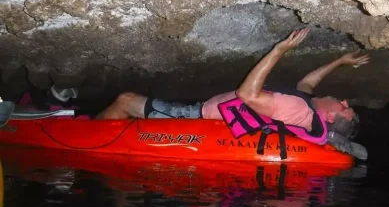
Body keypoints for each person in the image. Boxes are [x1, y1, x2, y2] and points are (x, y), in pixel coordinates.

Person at [52, 28, 370, 159]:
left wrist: (278, 50)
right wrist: (339, 61)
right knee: (127, 103)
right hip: (203, 110)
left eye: (345, 109)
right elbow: (308, 83)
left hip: (195, 115)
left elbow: (248, 94)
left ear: (330, 117)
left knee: (124, 100)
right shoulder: (307, 106)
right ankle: (89, 122)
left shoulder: (301, 112)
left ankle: (84, 135)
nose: (344, 101)